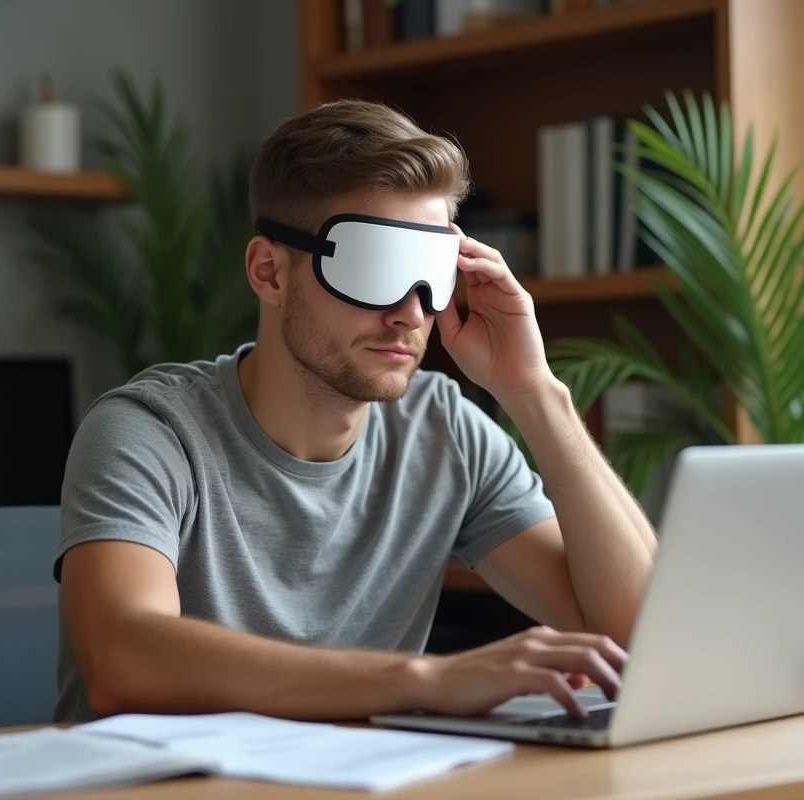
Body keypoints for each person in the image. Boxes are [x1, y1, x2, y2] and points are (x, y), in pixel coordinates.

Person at [54, 99, 658, 724]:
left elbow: (640, 638)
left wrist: (534, 393)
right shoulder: (149, 432)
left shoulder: (445, 431)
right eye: (375, 269)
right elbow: (120, 660)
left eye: (430, 274)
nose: (411, 312)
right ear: (269, 272)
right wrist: (428, 679)